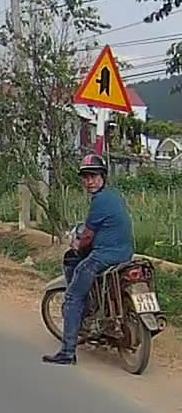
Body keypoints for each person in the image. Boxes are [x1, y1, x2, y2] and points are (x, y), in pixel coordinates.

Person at [42, 153, 135, 366]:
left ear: (103, 177)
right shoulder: (114, 196)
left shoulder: (99, 201)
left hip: (104, 257)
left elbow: (87, 237)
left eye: (94, 176)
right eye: (85, 177)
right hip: (125, 254)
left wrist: (76, 245)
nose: (89, 181)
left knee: (73, 297)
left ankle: (67, 352)